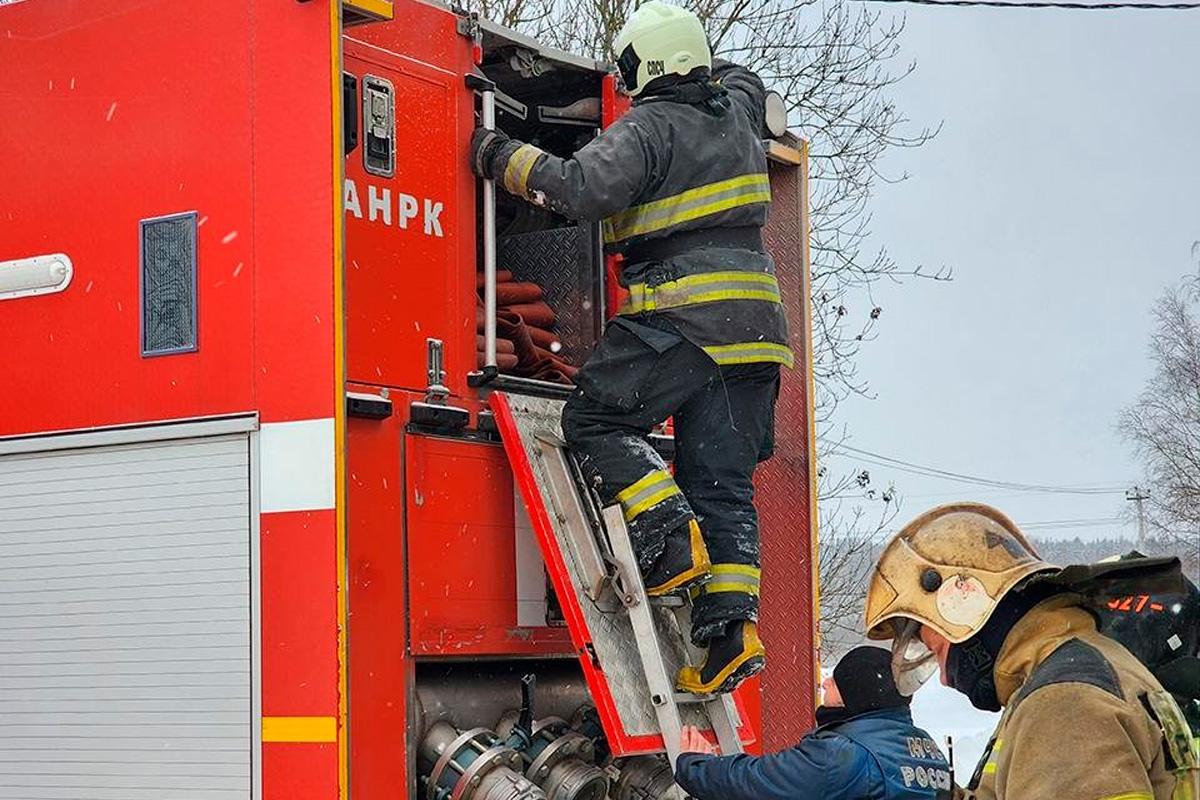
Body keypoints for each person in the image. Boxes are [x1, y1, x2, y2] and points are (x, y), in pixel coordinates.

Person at [470, 0, 790, 694]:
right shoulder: (735, 106)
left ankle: (669, 541)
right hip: (759, 333)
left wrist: (496, 153)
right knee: (723, 485)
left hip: (684, 318)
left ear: (648, 64)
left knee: (595, 419)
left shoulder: (649, 126)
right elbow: (744, 77)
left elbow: (579, 188)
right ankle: (729, 639)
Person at [865, 503, 1200, 800]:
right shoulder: (1088, 667)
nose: (944, 678)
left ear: (965, 605)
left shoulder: (1064, 703)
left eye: (937, 652)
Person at [674, 645, 953, 799]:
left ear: (854, 694)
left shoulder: (845, 755)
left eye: (836, 681)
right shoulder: (925, 748)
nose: (825, 681)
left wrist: (696, 765)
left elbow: (758, 783)